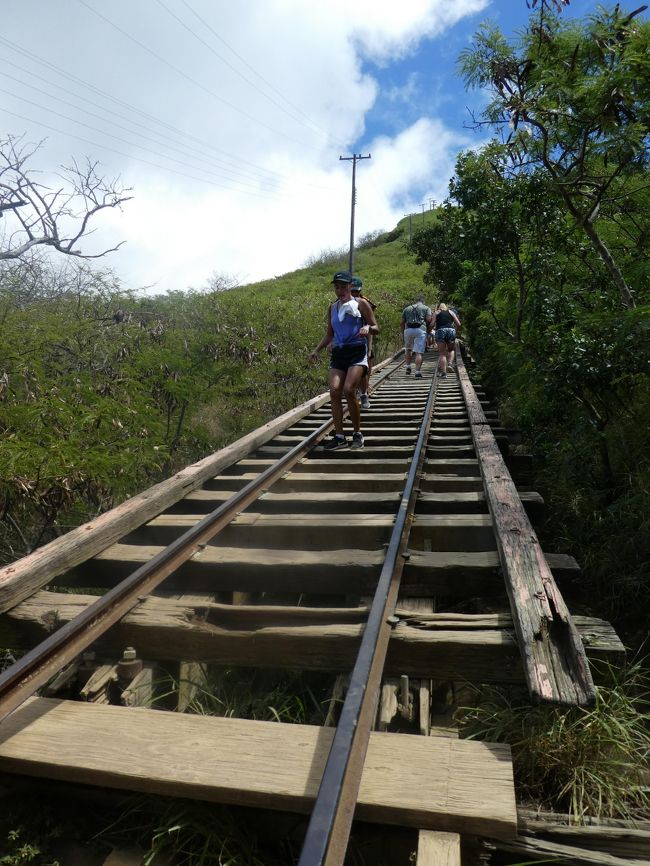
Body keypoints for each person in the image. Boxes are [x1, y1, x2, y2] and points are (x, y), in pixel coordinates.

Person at [309, 270, 379, 450]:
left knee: (348, 390)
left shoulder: (361, 303)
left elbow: (376, 326)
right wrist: (317, 350)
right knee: (334, 391)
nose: (339, 291)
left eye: (342, 287)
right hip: (339, 353)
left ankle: (357, 434)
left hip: (357, 352)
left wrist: (367, 328)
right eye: (336, 287)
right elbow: (329, 334)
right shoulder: (332, 308)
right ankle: (339, 436)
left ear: (350, 286)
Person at [351, 276, 377, 410]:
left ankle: (364, 392)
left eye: (356, 291)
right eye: (352, 291)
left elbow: (371, 326)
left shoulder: (365, 303)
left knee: (364, 368)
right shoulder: (339, 303)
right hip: (346, 342)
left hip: (362, 340)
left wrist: (370, 348)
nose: (353, 294)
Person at [401, 294, 432, 379]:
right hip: (420, 329)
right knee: (419, 352)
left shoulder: (407, 309)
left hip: (408, 330)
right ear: (423, 301)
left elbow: (402, 322)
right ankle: (417, 372)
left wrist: (403, 331)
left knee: (408, 349)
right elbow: (429, 320)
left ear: (416, 300)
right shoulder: (426, 308)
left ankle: (408, 366)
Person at [433, 303, 461, 378]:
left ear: (439, 307)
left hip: (440, 330)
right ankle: (449, 364)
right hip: (451, 330)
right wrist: (455, 331)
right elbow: (458, 324)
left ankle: (444, 373)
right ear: (446, 307)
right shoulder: (451, 312)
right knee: (451, 350)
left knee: (442, 353)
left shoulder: (437, 313)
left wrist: (429, 329)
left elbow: (432, 323)